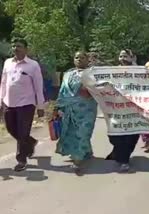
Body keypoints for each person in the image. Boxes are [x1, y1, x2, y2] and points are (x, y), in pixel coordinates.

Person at [0, 38, 45, 171]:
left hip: (26, 104)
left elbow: (38, 86)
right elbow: (3, 82)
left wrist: (40, 106)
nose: (16, 48)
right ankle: (30, 142)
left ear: (26, 49)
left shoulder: (33, 65)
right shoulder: (8, 62)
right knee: (10, 129)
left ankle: (21, 159)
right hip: (9, 103)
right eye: (14, 46)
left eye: (19, 46)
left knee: (22, 131)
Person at [54, 51, 97, 173]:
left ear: (87, 60)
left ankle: (78, 158)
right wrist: (57, 106)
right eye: (76, 57)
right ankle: (86, 152)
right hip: (70, 109)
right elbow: (63, 90)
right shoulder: (68, 73)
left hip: (87, 109)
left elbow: (100, 89)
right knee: (72, 132)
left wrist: (89, 90)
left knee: (83, 132)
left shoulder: (92, 73)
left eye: (82, 57)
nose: (79, 59)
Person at [105, 49, 140, 172]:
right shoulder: (113, 71)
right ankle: (118, 152)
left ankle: (124, 160)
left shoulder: (139, 72)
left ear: (132, 58)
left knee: (131, 135)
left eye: (125, 56)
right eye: (120, 56)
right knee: (114, 135)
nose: (123, 58)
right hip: (116, 108)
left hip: (134, 109)